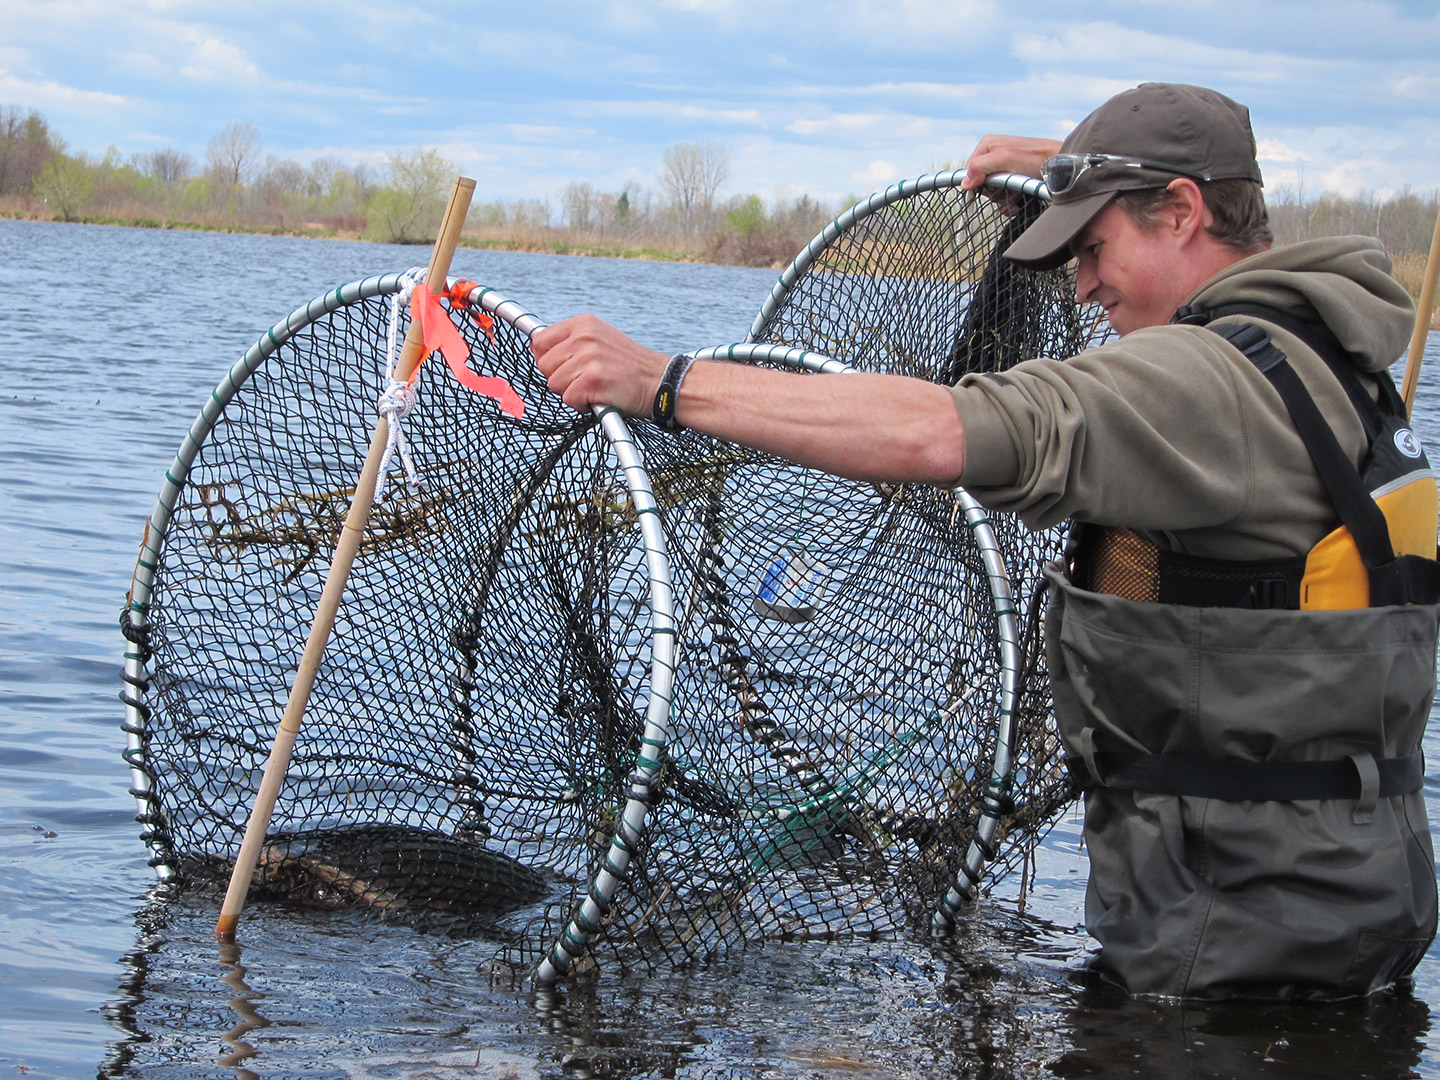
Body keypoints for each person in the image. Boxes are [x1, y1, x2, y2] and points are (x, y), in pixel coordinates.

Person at [531, 82, 1439, 1000]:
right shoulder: (1323, 340)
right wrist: (1068, 170)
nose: (1081, 284)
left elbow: (941, 432)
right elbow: (1196, 194)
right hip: (1349, 900)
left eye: (1094, 247)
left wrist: (665, 379)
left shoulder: (1204, 384)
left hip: (1241, 946)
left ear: (1182, 212)